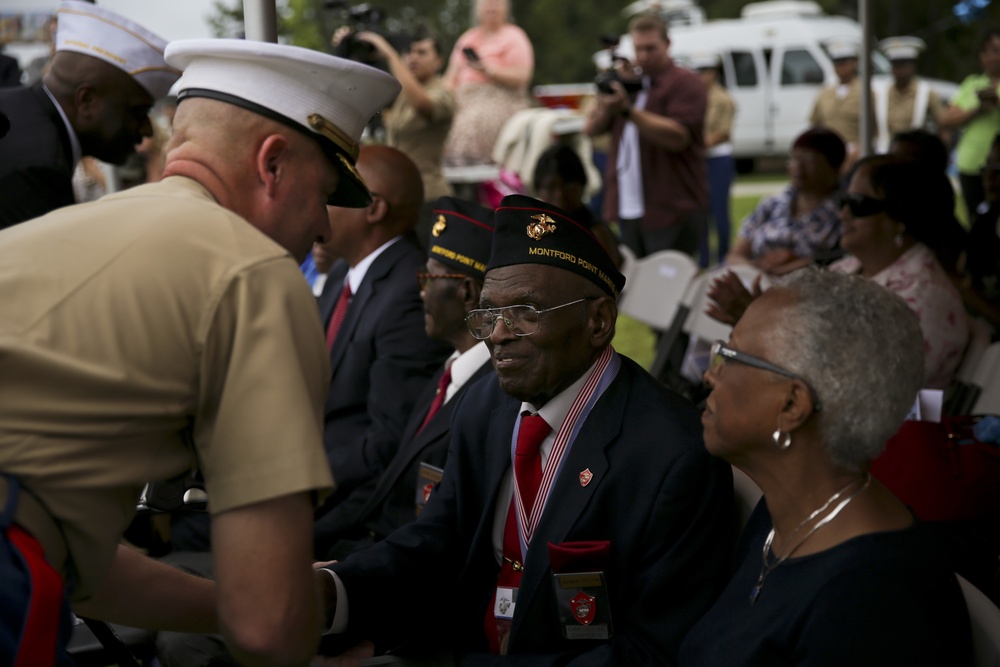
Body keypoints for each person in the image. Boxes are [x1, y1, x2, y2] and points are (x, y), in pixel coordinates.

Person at [0, 37, 400, 665]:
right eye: (324, 192)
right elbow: (268, 627)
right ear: (272, 164)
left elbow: (86, 566)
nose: (324, 226)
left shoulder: (51, 231)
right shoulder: (253, 273)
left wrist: (225, 604)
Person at [317, 194, 734, 663]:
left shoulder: (672, 455)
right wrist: (335, 592)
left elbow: (652, 646)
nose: (497, 333)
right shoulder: (485, 405)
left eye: (524, 312)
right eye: (489, 313)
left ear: (598, 321)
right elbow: (438, 540)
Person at [679, 269, 972, 665]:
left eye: (729, 355)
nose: (709, 374)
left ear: (792, 405)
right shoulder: (783, 517)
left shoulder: (874, 602)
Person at [314, 196, 496, 561]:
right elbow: (388, 488)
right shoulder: (448, 375)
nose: (421, 291)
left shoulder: (488, 393)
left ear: (468, 293)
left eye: (429, 278)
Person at [710, 155, 969, 390]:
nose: (842, 214)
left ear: (900, 218)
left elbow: (855, 388)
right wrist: (756, 320)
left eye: (858, 204)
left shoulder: (925, 298)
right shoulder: (846, 269)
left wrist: (758, 325)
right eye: (844, 201)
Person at [317, 145, 452, 508]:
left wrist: (298, 481)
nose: (320, 202)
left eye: (334, 194)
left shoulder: (409, 291)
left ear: (374, 208)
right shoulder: (342, 275)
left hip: (346, 499)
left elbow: (387, 441)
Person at [0, 1, 179, 229]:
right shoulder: (38, 169)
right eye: (138, 112)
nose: (146, 129)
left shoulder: (16, 112)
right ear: (86, 100)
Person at [584, 12, 708, 259]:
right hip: (628, 207)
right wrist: (609, 101)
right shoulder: (632, 82)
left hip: (672, 206)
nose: (643, 56)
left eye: (651, 48)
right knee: (637, 288)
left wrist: (629, 111)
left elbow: (678, 137)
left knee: (669, 286)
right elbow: (591, 129)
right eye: (638, 49)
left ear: (667, 44)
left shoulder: (685, 83)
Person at [345, 24, 455, 230]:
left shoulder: (444, 95)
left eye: (422, 52)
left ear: (439, 61)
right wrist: (349, 52)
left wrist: (389, 54)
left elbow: (423, 104)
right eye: (409, 52)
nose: (413, 57)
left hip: (429, 199)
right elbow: (365, 95)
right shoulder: (403, 93)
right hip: (400, 197)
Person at [723, 127, 844, 275]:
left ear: (833, 167)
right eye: (794, 158)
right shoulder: (772, 204)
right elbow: (735, 256)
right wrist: (758, 271)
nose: (798, 166)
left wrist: (787, 268)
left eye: (809, 159)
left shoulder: (844, 211)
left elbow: (843, 257)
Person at [442, 0, 534, 168]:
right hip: (463, 98)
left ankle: (471, 174)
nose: (491, 7)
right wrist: (442, 99)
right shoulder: (468, 37)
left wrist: (488, 70)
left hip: (500, 97)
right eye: (487, 3)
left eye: (497, 3)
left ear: (506, 9)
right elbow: (450, 77)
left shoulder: (514, 36)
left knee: (471, 122)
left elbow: (522, 76)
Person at [940, 27, 1000, 218]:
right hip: (971, 163)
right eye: (984, 51)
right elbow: (946, 120)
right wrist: (977, 109)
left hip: (998, 165)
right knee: (976, 221)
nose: (990, 57)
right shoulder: (972, 83)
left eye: (996, 51)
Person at [532, 143, 622, 268]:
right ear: (538, 189)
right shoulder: (536, 231)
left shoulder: (597, 234)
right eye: (550, 187)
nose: (560, 194)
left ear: (582, 184)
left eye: (568, 185)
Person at [693, 52, 736, 267]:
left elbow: (723, 132)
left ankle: (723, 256)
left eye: (704, 72)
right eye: (697, 72)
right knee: (700, 211)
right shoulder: (693, 96)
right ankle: (703, 258)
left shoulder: (723, 99)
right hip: (699, 159)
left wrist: (694, 146)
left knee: (719, 211)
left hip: (717, 159)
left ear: (714, 73)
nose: (700, 76)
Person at [874, 36, 948, 154]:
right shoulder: (880, 94)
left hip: (915, 157)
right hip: (885, 154)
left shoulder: (927, 92)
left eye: (904, 64)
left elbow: (944, 125)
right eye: (896, 64)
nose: (899, 70)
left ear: (912, 66)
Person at [809, 39, 871, 172]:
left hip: (856, 152)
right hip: (828, 153)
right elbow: (815, 124)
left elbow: (876, 128)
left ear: (855, 62)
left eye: (844, 62)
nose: (840, 66)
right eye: (837, 62)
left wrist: (861, 147)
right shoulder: (824, 93)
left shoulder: (866, 92)